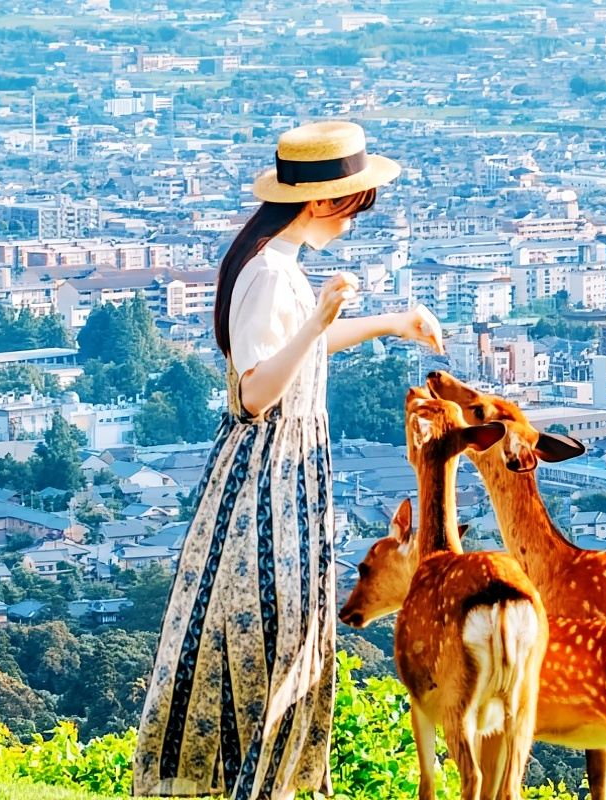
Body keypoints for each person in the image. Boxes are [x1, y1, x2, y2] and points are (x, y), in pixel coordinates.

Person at [133, 120, 444, 800]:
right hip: (264, 490)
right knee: (270, 644)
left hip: (284, 486)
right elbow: (253, 391)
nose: (354, 223)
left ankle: (260, 784)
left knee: (282, 643)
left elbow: (294, 360)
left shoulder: (277, 266)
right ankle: (249, 784)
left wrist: (388, 323)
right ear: (323, 203)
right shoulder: (272, 275)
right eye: (354, 207)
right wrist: (316, 319)